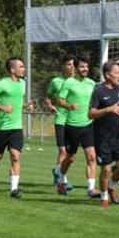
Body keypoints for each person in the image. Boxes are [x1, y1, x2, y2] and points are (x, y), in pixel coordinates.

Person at [0, 56, 28, 198]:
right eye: (21, 67)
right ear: (12, 69)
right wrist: (2, 107)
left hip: (16, 127)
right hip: (1, 127)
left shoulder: (23, 83)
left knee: (15, 156)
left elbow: (16, 102)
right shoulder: (2, 83)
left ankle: (13, 190)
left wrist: (27, 106)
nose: (23, 69)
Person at [56, 57, 100, 198]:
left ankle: (91, 189)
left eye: (87, 66)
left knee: (92, 157)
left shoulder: (92, 83)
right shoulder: (69, 83)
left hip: (88, 125)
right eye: (82, 67)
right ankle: (61, 179)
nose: (85, 69)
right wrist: (69, 106)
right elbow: (59, 100)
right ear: (75, 68)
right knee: (70, 158)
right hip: (72, 126)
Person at [88, 62, 119, 208]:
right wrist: (108, 109)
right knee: (105, 168)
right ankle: (104, 196)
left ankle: (111, 186)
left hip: (118, 136)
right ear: (107, 75)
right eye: (117, 72)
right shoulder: (99, 91)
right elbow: (91, 114)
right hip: (102, 138)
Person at [44, 54, 75, 189]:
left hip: (75, 122)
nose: (72, 67)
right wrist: (50, 105)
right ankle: (63, 180)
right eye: (69, 64)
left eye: (73, 64)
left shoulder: (80, 82)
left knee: (70, 154)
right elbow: (48, 96)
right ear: (64, 66)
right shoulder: (56, 81)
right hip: (61, 119)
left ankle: (57, 171)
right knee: (62, 150)